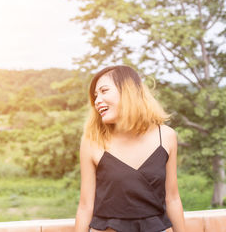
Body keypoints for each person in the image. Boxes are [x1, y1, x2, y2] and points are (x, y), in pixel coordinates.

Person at [75, 65, 186, 232]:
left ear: (128, 91)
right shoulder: (92, 141)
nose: (97, 101)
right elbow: (85, 206)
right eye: (95, 96)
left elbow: (173, 199)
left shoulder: (167, 136)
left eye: (104, 91)